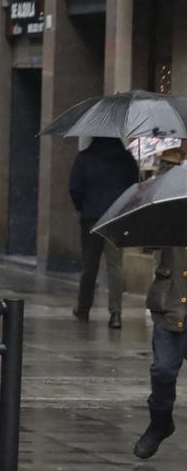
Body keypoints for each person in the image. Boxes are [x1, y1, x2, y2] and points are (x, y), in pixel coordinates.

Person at [136, 147, 186, 460]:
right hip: (171, 301)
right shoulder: (171, 185)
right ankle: (160, 421)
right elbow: (148, 241)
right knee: (163, 371)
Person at [72, 136, 140, 328]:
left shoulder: (85, 157)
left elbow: (74, 187)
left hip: (91, 219)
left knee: (89, 265)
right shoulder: (126, 159)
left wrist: (83, 207)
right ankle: (116, 314)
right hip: (116, 218)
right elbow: (134, 187)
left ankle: (83, 308)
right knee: (115, 265)